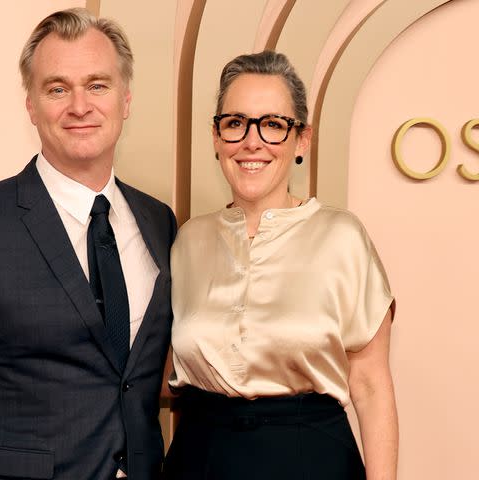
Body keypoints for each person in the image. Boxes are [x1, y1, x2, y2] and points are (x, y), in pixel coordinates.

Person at [0, 8, 176, 480]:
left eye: (97, 85)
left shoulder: (158, 221)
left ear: (125, 99)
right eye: (57, 88)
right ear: (31, 104)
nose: (79, 106)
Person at [164, 50, 398, 479]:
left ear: (301, 139)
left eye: (272, 125)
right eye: (235, 124)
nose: (252, 142)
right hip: (200, 459)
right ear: (216, 138)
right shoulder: (186, 241)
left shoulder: (343, 237)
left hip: (311, 460)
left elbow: (370, 386)